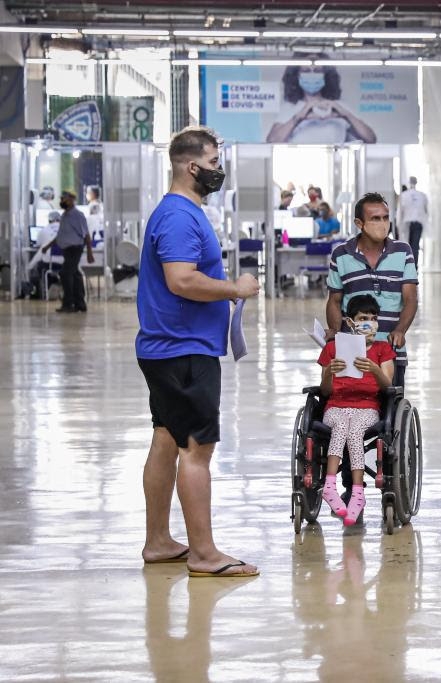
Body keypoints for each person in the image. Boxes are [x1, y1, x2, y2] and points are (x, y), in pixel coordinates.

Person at [135, 125, 261, 578]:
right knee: (196, 448)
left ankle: (158, 541)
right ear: (192, 166)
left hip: (170, 347)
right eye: (211, 163)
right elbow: (181, 279)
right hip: (182, 350)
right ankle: (205, 554)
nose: (217, 170)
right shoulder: (179, 217)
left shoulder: (182, 212)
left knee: (168, 439)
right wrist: (234, 288)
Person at [317, 295, 397, 526]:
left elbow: (388, 387)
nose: (369, 323)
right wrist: (329, 372)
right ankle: (330, 486)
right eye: (363, 318)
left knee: (355, 431)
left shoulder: (382, 349)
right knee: (342, 424)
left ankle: (357, 494)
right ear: (350, 322)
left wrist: (374, 369)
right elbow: (324, 390)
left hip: (368, 407)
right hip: (336, 406)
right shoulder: (333, 349)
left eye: (373, 319)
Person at [326, 192, 418, 387]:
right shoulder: (341, 254)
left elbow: (410, 299)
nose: (383, 223)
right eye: (375, 219)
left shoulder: (403, 252)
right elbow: (334, 300)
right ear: (359, 223)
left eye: (385, 218)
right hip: (352, 350)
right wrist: (334, 331)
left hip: (391, 350)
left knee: (390, 408)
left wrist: (400, 330)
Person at [266, 61, 377, 144]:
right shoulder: (290, 108)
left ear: (326, 76)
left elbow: (371, 139)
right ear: (297, 76)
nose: (312, 75)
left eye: (317, 71)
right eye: (306, 71)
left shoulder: (340, 106)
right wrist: (299, 117)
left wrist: (346, 115)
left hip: (334, 168)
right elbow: (272, 141)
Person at [41, 190, 94, 313]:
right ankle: (80, 304)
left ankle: (68, 304)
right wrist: (48, 246)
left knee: (65, 273)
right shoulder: (64, 216)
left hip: (75, 249)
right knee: (75, 275)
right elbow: (60, 236)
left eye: (64, 199)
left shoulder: (78, 215)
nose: (61, 201)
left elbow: (86, 234)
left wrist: (90, 252)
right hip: (67, 249)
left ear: (71, 200)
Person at [27, 211, 62, 299]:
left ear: (49, 221)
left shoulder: (44, 230)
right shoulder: (66, 230)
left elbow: (39, 244)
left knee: (41, 266)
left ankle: (45, 291)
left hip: (49, 264)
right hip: (65, 263)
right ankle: (58, 284)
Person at [398, 177, 428, 267]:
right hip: (418, 222)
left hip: (407, 223)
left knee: (408, 245)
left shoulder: (404, 195)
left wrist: (399, 225)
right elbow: (426, 210)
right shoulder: (422, 195)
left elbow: (400, 211)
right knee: (415, 246)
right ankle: (414, 266)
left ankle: (409, 265)